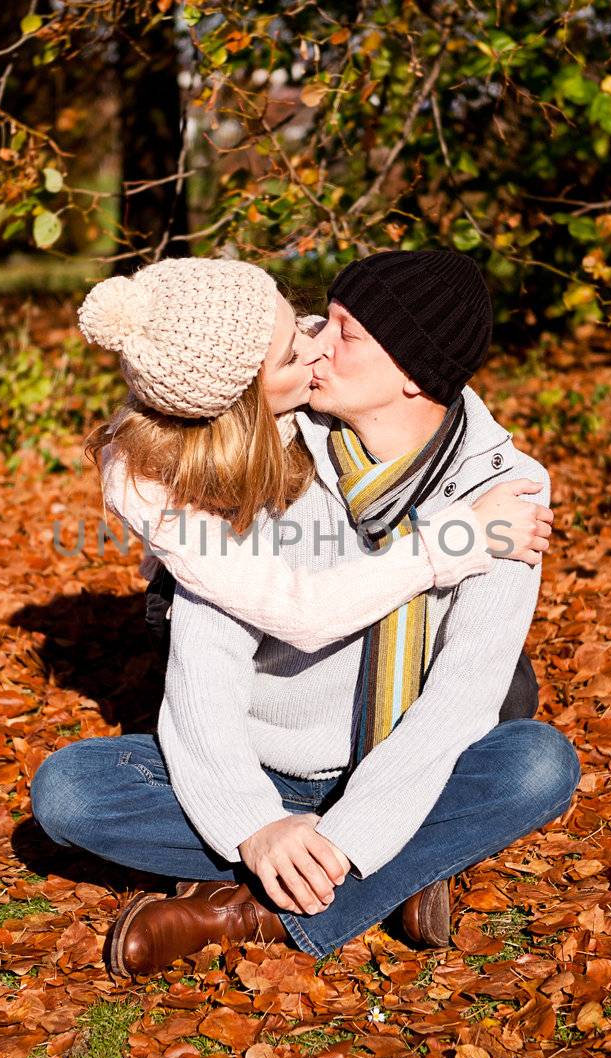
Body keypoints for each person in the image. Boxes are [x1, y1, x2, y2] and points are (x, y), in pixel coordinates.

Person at [30, 250, 581, 977]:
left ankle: (248, 911)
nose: (319, 343)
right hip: (270, 762)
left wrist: (355, 830)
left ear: (414, 374)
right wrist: (254, 822)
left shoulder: (506, 491)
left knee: (540, 764)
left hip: (406, 768)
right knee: (68, 791)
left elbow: (461, 702)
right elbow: (206, 660)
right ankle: (405, 871)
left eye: (346, 333)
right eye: (325, 321)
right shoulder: (278, 446)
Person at [75, 257, 552, 656]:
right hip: (261, 619)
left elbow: (400, 353)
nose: (314, 346)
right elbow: (300, 612)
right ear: (244, 407)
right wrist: (459, 537)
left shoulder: (279, 347)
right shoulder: (158, 495)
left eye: (304, 322)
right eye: (289, 357)